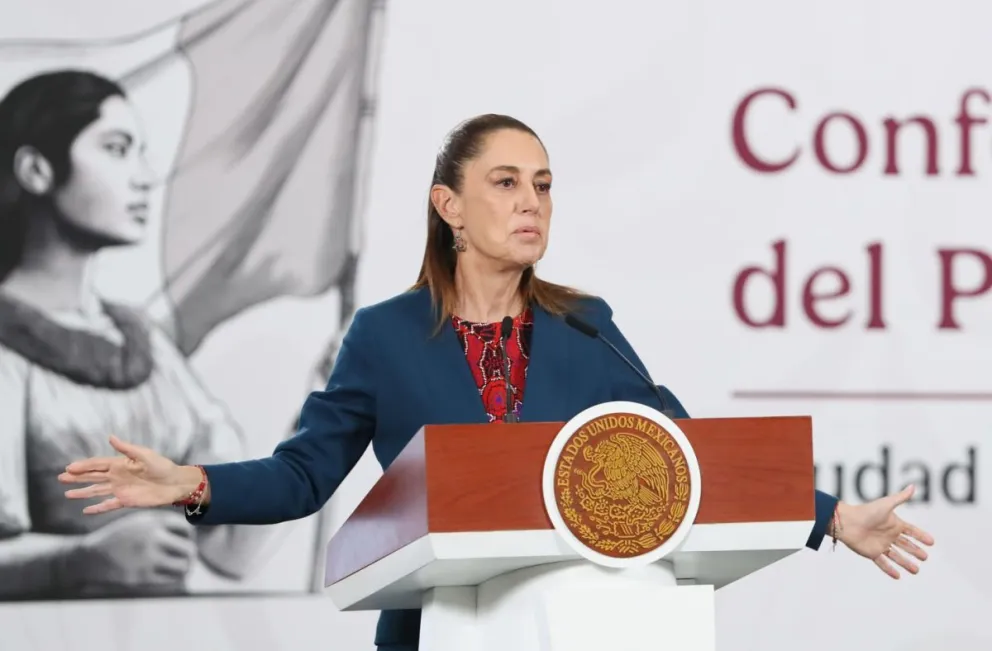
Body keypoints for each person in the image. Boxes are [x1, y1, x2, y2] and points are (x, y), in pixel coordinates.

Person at [59, 113, 934, 650]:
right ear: (449, 206)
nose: (533, 204)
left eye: (544, 186)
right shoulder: (385, 334)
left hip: (589, 631)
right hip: (438, 630)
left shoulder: (586, 326)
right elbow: (303, 476)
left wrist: (831, 516)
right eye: (507, 183)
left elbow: (687, 461)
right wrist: (193, 482)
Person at [0, 69, 268, 600]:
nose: (145, 177)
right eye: (117, 149)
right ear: (35, 170)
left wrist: (327, 419)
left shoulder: (143, 343)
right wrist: (81, 560)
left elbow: (232, 550)